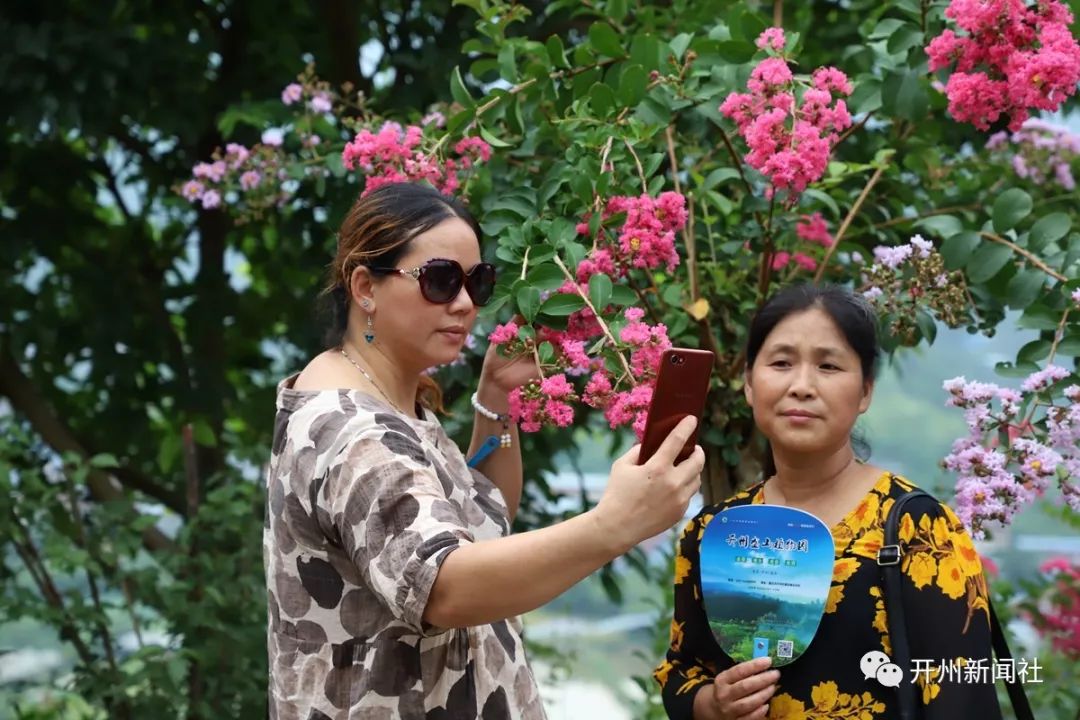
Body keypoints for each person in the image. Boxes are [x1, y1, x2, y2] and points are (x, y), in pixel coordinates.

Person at [264, 181, 705, 719]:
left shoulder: (391, 401)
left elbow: (483, 521)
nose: (466, 303)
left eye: (478, 281)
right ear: (365, 287)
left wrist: (497, 399)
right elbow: (443, 586)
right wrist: (613, 525)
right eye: (440, 280)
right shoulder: (352, 430)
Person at [654, 284, 1002, 719]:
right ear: (748, 383)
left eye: (829, 365)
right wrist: (713, 704)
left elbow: (962, 696)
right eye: (781, 363)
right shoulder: (714, 531)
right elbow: (683, 673)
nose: (802, 386)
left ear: (865, 392)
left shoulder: (916, 527)